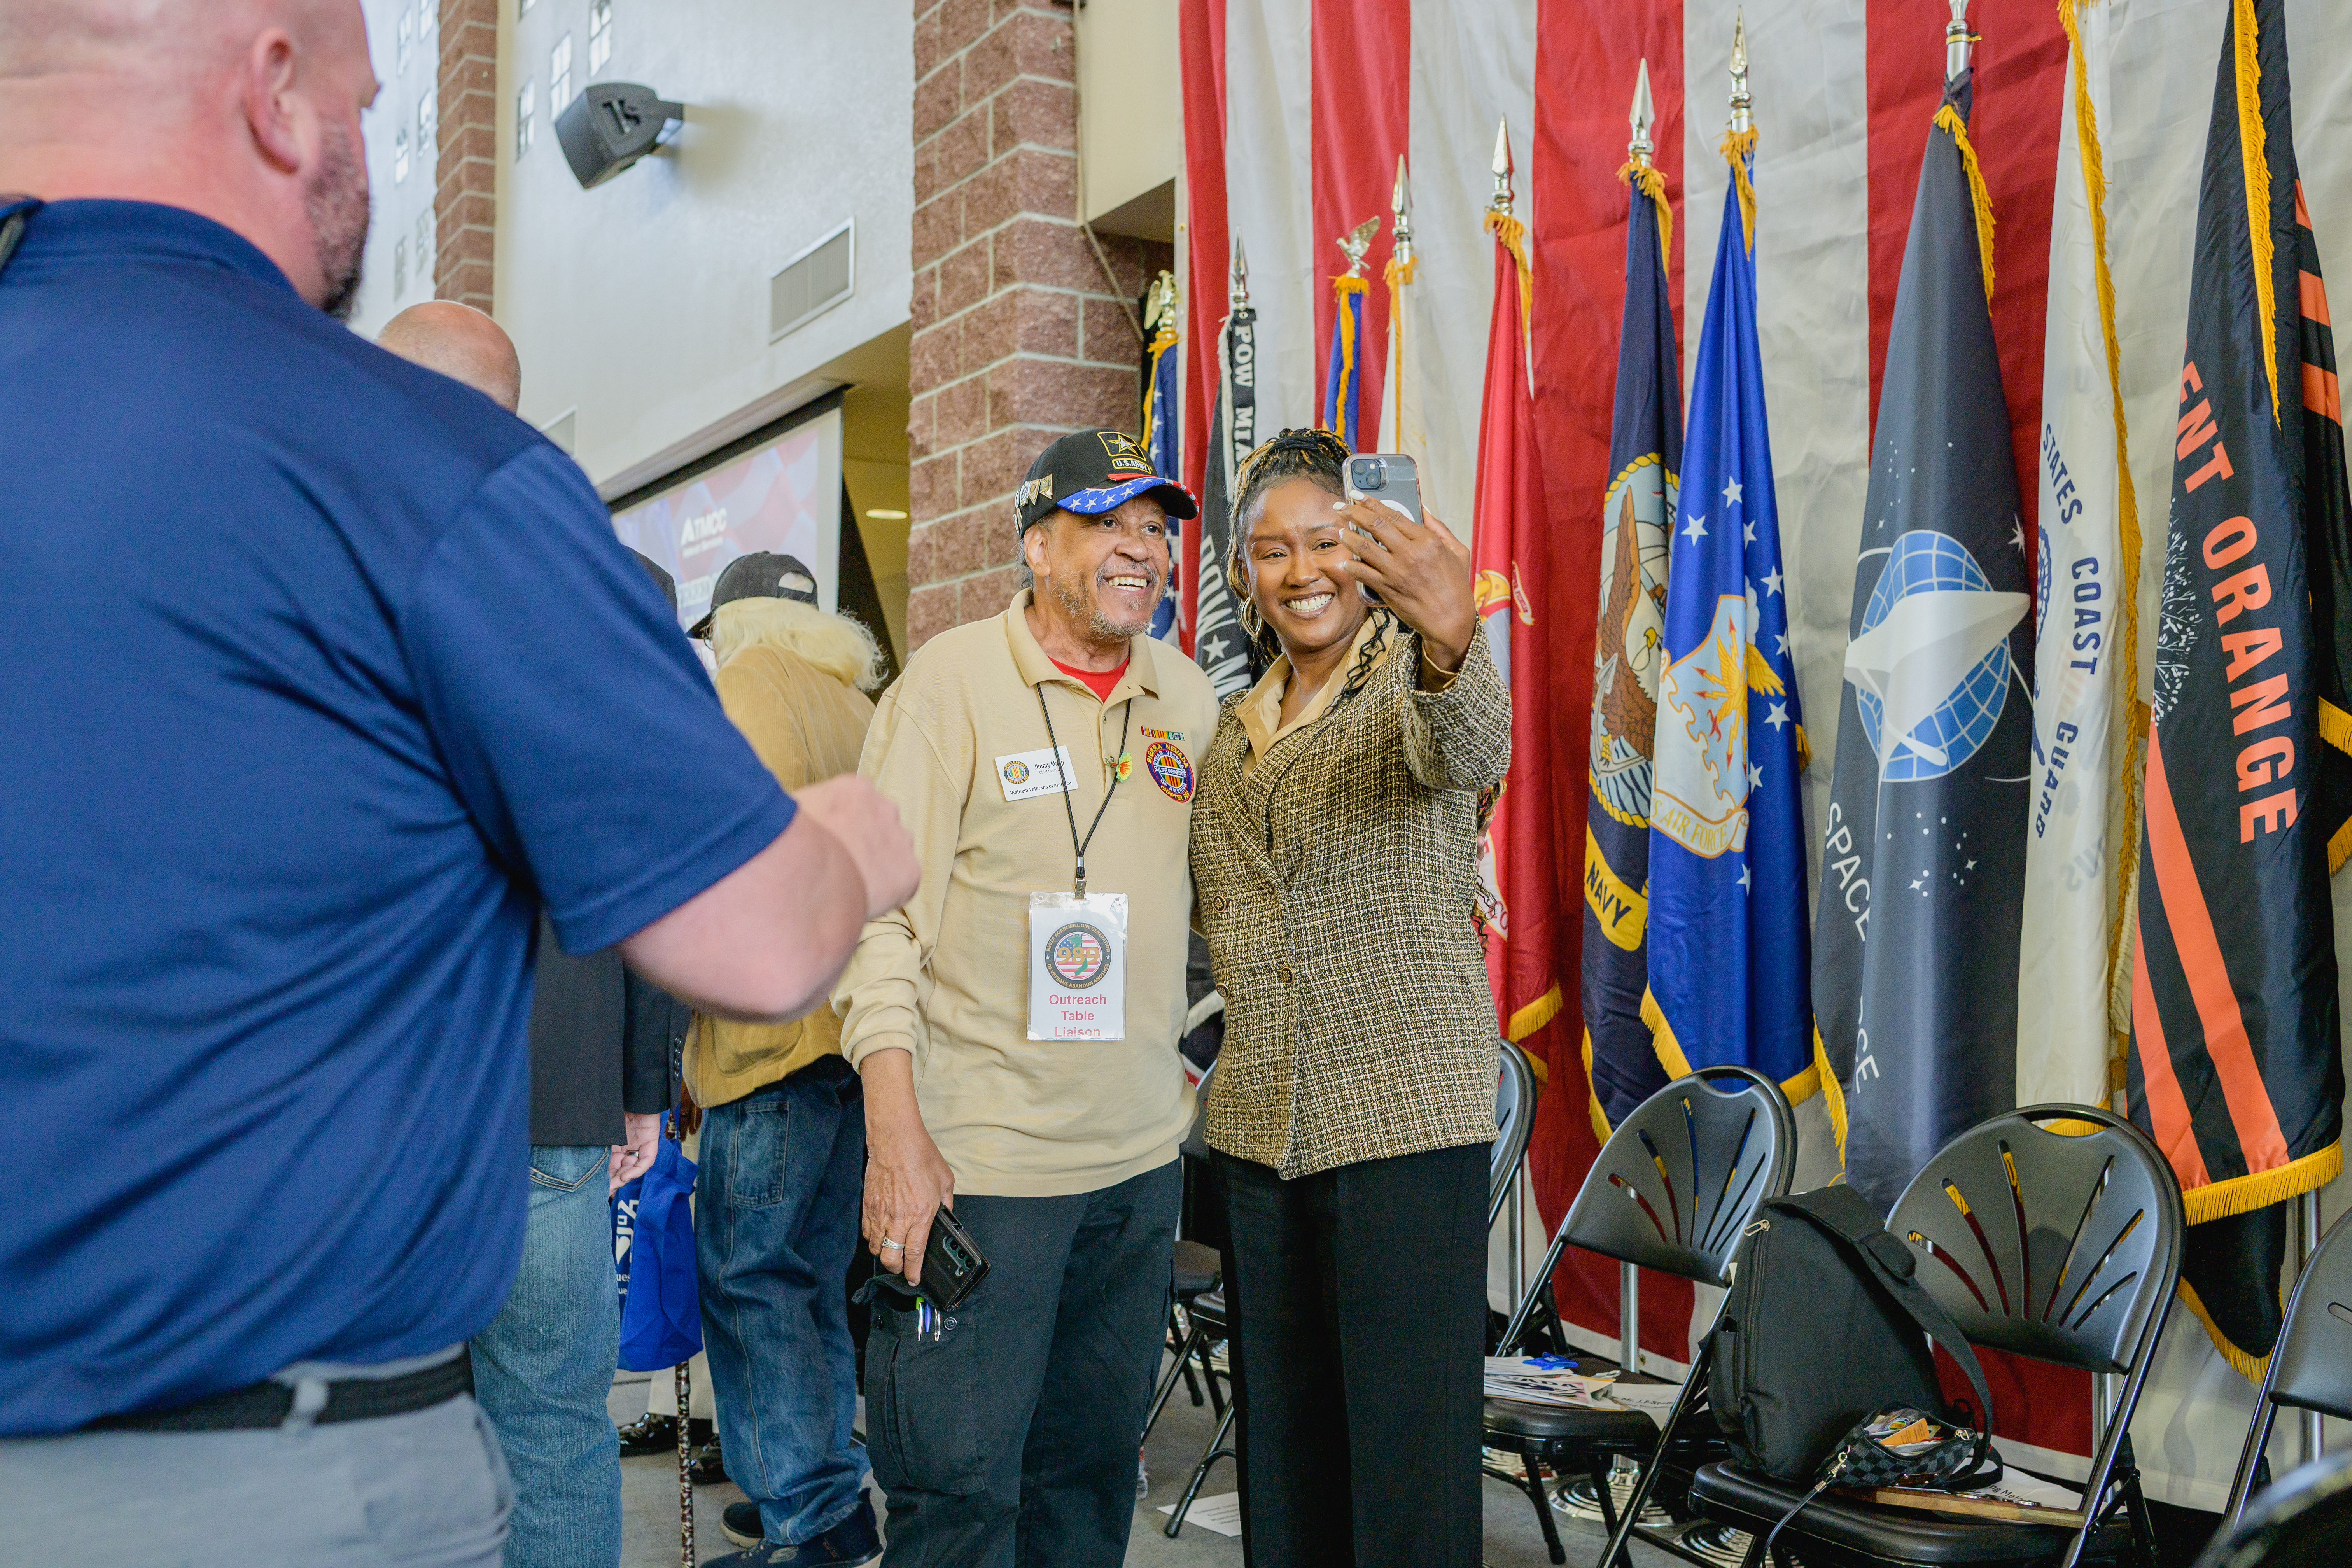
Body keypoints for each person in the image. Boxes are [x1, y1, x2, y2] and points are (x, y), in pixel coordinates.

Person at [0, 7, 920, 1566]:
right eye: (365, 105)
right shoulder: (418, 469)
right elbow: (756, 939)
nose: (368, 148)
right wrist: (853, 837)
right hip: (271, 1482)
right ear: (276, 93)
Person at [836, 429, 1216, 1568]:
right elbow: (877, 921)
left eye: (1155, 529)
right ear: (1037, 545)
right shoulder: (949, 686)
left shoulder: (1186, 698)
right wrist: (896, 1139)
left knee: (1087, 1491)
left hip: (1137, 1172)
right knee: (958, 1498)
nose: (1140, 549)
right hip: (984, 1174)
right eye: (1107, 524)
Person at [378, 298, 686, 1568]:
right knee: (554, 1424)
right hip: (553, 1091)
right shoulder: (626, 591)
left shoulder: (316, 563)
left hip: (366, 1093)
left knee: (374, 1433)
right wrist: (641, 1082)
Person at [1188, 429, 1510, 1567]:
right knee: (1286, 1463)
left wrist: (1452, 636)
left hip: (1402, 1123)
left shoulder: (1410, 677)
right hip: (1258, 1129)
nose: (1301, 571)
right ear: (1245, 574)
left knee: (1405, 1470)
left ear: (1369, 547)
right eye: (1272, 550)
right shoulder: (1233, 724)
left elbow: (1467, 746)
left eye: (1325, 541)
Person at [684, 551, 889, 1568]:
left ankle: (805, 1517)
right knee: (807, 1280)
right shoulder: (856, 702)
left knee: (750, 1280)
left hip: (770, 1041)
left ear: (732, 625)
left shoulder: (749, 683)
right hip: (849, 1038)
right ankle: (826, 1499)